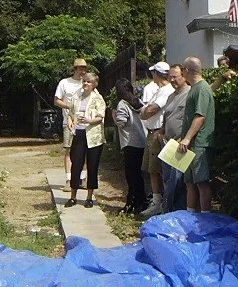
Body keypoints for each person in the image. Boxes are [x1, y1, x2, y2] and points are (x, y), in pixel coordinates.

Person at [177, 56, 216, 212]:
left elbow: (200, 117)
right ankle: (190, 214)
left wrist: (187, 138)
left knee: (201, 182)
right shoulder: (195, 88)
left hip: (199, 143)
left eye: (182, 71)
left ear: (187, 70)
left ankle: (205, 218)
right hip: (191, 143)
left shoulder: (201, 89)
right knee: (189, 182)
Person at [65, 72, 106, 208]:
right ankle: (73, 196)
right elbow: (70, 111)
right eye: (84, 81)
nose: (86, 84)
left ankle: (89, 197)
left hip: (93, 135)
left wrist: (90, 120)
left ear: (94, 85)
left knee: (92, 166)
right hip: (79, 133)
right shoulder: (77, 96)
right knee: (76, 163)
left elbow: (101, 116)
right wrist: (70, 121)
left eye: (89, 82)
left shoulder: (98, 98)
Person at [139, 61, 174, 216]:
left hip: (157, 132)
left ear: (156, 74)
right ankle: (156, 200)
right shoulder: (158, 90)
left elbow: (151, 110)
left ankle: (159, 202)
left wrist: (144, 113)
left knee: (156, 169)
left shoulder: (166, 91)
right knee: (151, 169)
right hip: (152, 131)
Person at [112, 78, 147, 214]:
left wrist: (113, 116)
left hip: (130, 143)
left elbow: (121, 122)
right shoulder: (138, 101)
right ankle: (141, 201)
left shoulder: (122, 104)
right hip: (141, 141)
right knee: (138, 174)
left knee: (131, 175)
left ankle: (132, 202)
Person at [159, 64, 191, 212]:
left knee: (177, 183)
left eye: (175, 77)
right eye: (169, 77)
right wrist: (162, 130)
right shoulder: (171, 96)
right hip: (167, 144)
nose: (171, 80)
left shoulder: (190, 93)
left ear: (184, 76)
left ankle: (176, 212)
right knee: (167, 180)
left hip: (180, 145)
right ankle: (168, 212)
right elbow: (167, 116)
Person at [54, 58, 88, 189]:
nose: (82, 71)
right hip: (68, 121)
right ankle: (69, 180)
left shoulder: (86, 82)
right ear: (75, 69)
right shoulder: (64, 83)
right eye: (80, 68)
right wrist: (70, 106)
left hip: (84, 122)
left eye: (84, 68)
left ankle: (83, 178)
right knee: (69, 150)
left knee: (84, 151)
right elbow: (57, 100)